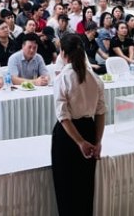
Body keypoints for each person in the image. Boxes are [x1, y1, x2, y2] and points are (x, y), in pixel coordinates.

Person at [51, 33, 106, 216]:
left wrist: (80, 142)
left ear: (62, 52)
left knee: (67, 189)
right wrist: (97, 142)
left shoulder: (63, 78)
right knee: (85, 187)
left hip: (69, 136)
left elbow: (64, 117)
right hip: (89, 129)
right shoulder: (95, 78)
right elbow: (100, 113)